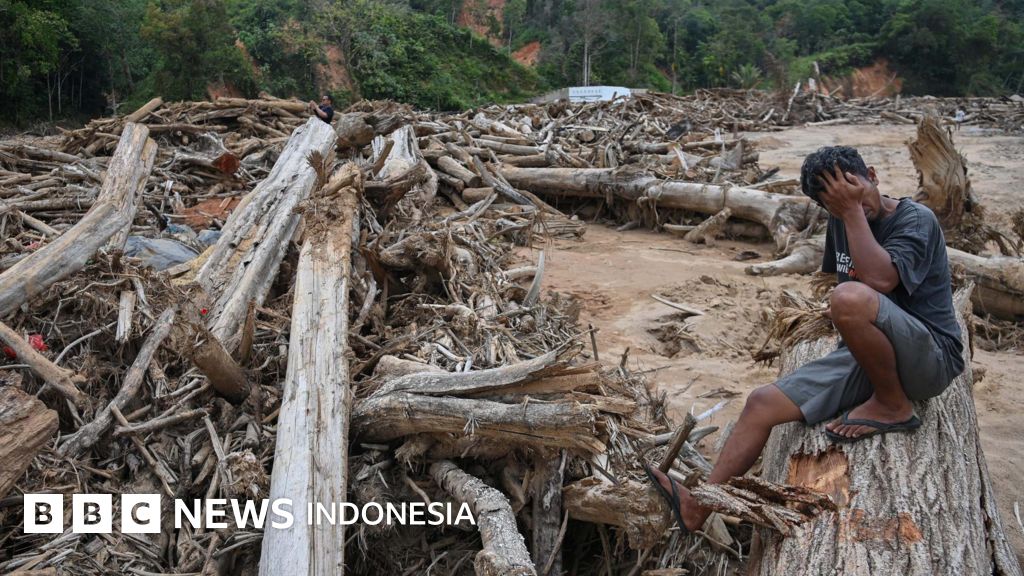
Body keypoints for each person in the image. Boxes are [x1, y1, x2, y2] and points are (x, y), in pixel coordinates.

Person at [646, 146, 964, 533]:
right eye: (836, 206)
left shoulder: (916, 219)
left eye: (855, 192)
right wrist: (845, 217)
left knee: (847, 299)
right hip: (872, 356)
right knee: (761, 403)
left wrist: (849, 213)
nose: (852, 209)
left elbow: (878, 282)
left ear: (874, 175)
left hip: (930, 358)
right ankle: (699, 507)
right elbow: (845, 283)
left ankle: (894, 405)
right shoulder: (842, 219)